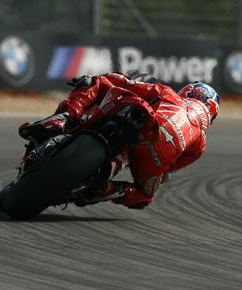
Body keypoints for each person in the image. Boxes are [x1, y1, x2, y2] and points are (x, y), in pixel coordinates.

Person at [18, 72, 220, 209]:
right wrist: (157, 175)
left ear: (188, 92)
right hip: (149, 156)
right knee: (145, 197)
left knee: (94, 82)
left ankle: (64, 118)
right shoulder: (201, 143)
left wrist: (93, 79)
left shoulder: (168, 94)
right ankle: (104, 190)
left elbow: (120, 83)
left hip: (142, 124)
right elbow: (167, 172)